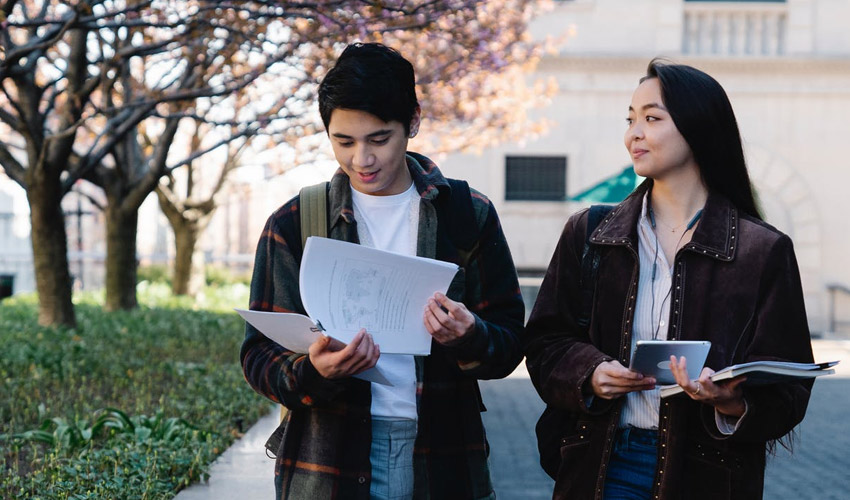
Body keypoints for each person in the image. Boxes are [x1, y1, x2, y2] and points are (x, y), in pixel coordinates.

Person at [240, 42, 524, 500]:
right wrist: (314, 370)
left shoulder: (466, 215)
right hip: (328, 459)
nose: (362, 160)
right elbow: (258, 357)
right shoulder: (295, 223)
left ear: (412, 121)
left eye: (379, 139)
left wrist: (470, 335)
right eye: (344, 142)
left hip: (443, 455)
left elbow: (510, 342)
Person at [523, 59, 814, 500]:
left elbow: (791, 387)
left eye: (652, 118)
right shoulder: (591, 232)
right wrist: (591, 372)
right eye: (630, 119)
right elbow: (545, 342)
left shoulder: (762, 249)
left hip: (708, 475)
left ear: (698, 129)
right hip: (603, 464)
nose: (633, 133)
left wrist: (729, 401)